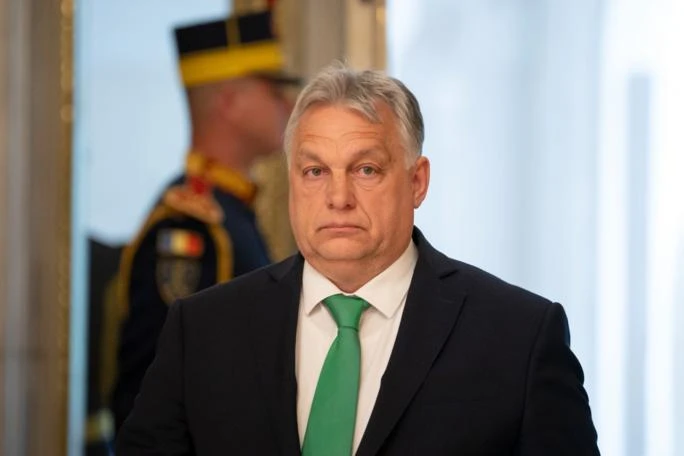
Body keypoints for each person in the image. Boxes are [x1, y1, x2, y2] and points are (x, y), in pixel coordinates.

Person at [116, 62, 600, 455]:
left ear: (417, 182)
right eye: (315, 171)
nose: (338, 197)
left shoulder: (519, 339)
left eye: (366, 169)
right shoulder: (203, 330)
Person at [111, 8, 298, 431]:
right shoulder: (192, 228)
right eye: (273, 89)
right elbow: (154, 398)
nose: (288, 104)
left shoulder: (232, 213)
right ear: (230, 102)